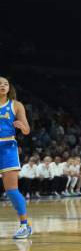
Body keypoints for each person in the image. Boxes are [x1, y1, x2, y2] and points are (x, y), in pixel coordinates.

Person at [0, 77, 32, 238]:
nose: (2, 86)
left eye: (5, 84)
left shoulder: (16, 105)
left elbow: (27, 130)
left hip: (7, 147)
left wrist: (21, 127)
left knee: (12, 190)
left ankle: (24, 225)